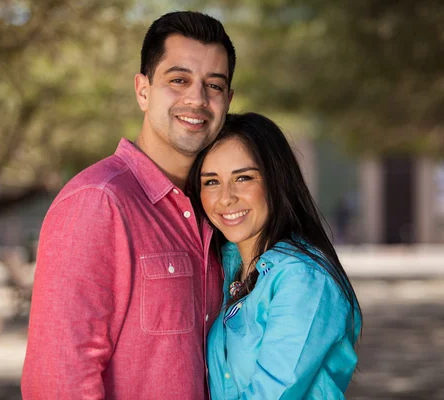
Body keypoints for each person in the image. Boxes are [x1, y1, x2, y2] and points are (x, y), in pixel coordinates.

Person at [21, 11, 235, 399]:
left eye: (214, 85)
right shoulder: (98, 202)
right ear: (143, 90)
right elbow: (57, 381)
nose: (197, 99)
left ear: (228, 101)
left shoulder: (214, 214)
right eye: (178, 80)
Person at [187, 112, 363, 399]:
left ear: (275, 181)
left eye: (243, 178)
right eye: (211, 182)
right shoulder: (227, 268)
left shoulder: (302, 279)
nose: (226, 197)